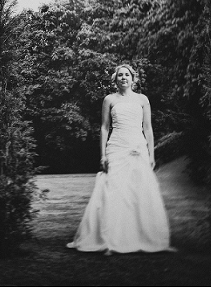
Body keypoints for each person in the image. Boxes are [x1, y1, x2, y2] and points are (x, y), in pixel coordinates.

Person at [67, 63, 171, 254]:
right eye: (120, 75)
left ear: (133, 79)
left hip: (137, 146)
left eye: (127, 75)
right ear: (115, 79)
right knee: (114, 191)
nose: (124, 78)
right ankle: (111, 240)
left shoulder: (142, 99)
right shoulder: (109, 99)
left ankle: (142, 237)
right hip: (116, 147)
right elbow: (104, 128)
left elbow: (148, 128)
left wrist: (151, 154)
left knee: (140, 190)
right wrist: (103, 155)